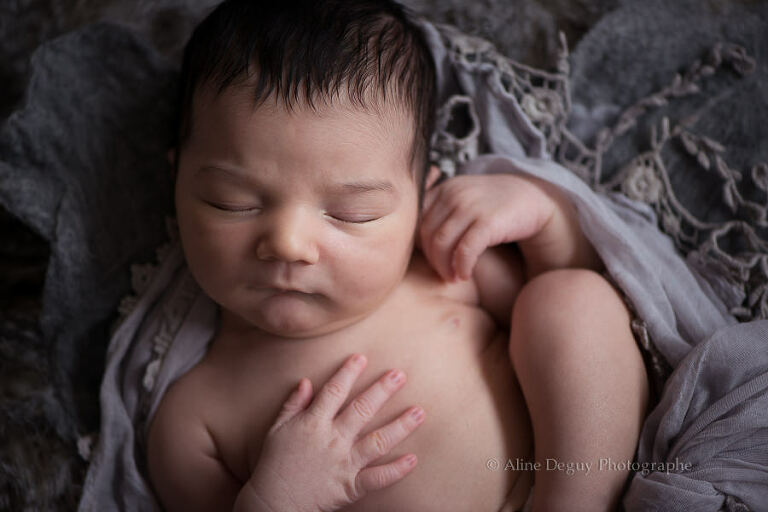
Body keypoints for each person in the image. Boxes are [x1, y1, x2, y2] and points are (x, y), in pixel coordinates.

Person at [146, 0, 649, 510]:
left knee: (569, 297)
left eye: (353, 213)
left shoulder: (442, 270)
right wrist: (276, 499)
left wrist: (547, 219)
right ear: (176, 183)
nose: (288, 244)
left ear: (419, 203)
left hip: (550, 486)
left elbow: (598, 333)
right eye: (233, 202)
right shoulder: (194, 421)